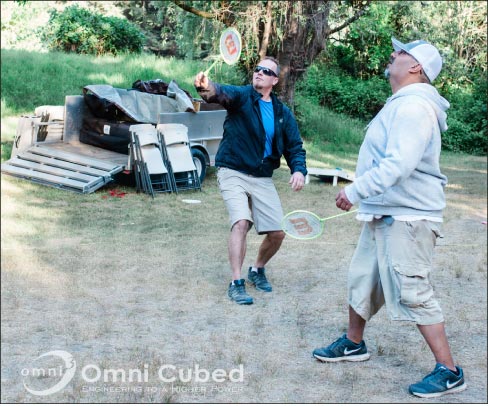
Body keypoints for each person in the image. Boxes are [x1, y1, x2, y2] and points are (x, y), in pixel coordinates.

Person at [312, 38, 467, 398]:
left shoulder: (414, 107)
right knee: (362, 277)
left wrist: (354, 191)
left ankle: (449, 369)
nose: (393, 56)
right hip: (385, 211)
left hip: (409, 217)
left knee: (413, 291)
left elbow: (399, 163)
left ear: (416, 67)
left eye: (401, 53)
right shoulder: (402, 103)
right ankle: (354, 343)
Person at [194, 57, 307, 305]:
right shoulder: (242, 97)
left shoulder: (282, 113)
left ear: (274, 80)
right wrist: (205, 87)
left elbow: (295, 146)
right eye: (257, 69)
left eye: (266, 71)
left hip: (262, 175)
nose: (259, 73)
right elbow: (220, 93)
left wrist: (298, 170)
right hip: (232, 169)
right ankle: (236, 283)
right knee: (241, 222)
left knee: (278, 232)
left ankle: (257, 269)